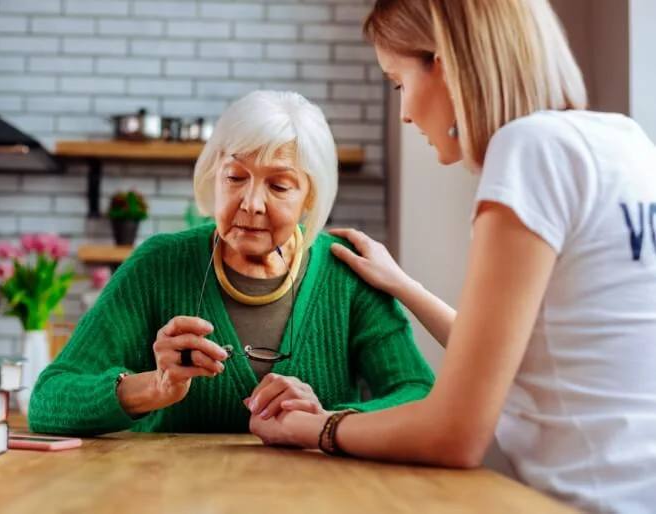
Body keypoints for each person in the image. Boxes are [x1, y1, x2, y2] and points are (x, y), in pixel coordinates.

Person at [247, 1, 656, 513]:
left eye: (398, 83)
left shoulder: (528, 149)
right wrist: (402, 284)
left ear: (444, 61)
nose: (405, 112)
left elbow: (455, 433)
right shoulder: (625, 141)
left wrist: (314, 426)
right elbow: (527, 356)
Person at [27, 90, 435, 436]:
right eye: (235, 177)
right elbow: (48, 399)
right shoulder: (159, 264)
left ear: (310, 196)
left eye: (278, 185)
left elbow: (418, 394)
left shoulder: (346, 274)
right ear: (213, 175)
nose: (251, 203)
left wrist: (330, 420)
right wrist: (154, 387)